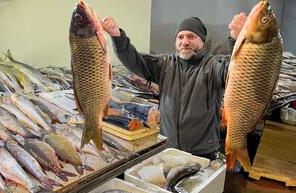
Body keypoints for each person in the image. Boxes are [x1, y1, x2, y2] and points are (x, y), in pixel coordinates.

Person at [102, 13, 247, 160]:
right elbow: (135, 60)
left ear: (202, 41)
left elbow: (236, 71)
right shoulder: (165, 64)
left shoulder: (214, 66)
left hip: (203, 153)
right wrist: (116, 35)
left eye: (191, 36)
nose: (185, 42)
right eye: (180, 37)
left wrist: (238, 40)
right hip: (168, 149)